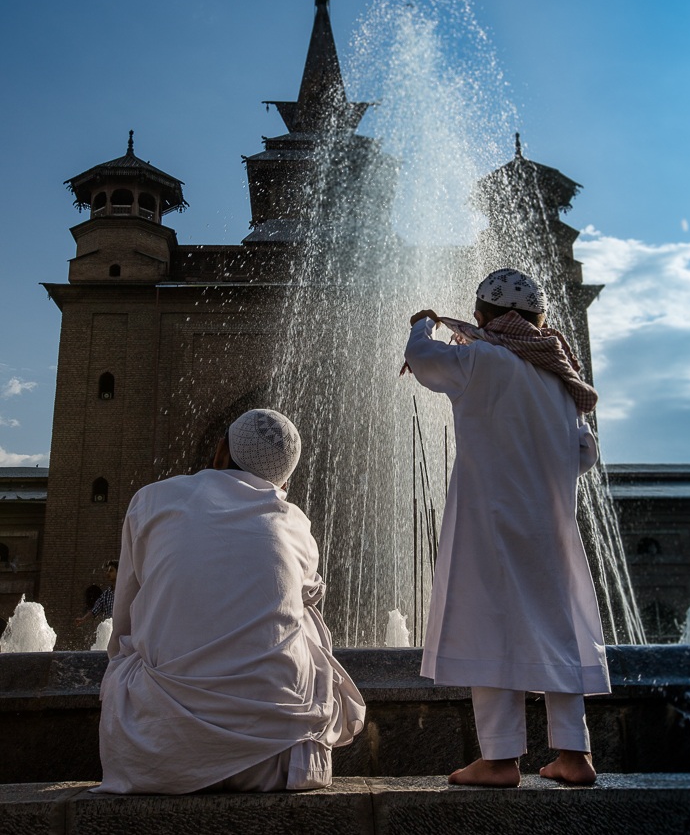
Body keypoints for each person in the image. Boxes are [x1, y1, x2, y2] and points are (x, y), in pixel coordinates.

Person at [404, 268, 610, 788]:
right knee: (557, 625)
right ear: (538, 320)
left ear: (481, 318)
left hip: (491, 519)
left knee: (490, 622)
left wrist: (421, 327)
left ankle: (498, 760)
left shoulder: (482, 358)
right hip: (549, 523)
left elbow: (425, 361)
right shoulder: (560, 378)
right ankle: (574, 754)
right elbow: (584, 453)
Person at [95, 408, 365, 794]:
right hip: (282, 759)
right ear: (284, 480)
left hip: (156, 752)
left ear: (221, 451)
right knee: (305, 610)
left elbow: (122, 628)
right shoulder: (294, 522)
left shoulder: (152, 500)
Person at [75, 561, 117, 626]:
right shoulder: (106, 594)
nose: (107, 573)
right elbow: (95, 610)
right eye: (107, 571)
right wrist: (84, 619)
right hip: (112, 629)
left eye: (111, 571)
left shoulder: (126, 591)